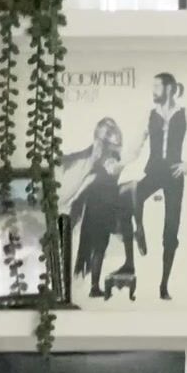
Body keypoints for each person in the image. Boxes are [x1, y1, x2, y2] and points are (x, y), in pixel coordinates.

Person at [122, 72, 187, 300]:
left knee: (171, 231)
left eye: (157, 87)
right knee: (133, 192)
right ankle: (139, 229)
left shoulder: (186, 113)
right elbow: (134, 148)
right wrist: (119, 163)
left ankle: (163, 285)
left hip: (173, 175)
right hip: (154, 171)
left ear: (169, 89)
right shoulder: (149, 115)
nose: (153, 91)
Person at [59, 118, 137, 298]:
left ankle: (93, 287)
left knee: (98, 248)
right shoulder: (101, 165)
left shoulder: (108, 162)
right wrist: (75, 199)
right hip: (99, 208)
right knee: (97, 248)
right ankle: (91, 286)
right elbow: (89, 181)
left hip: (103, 208)